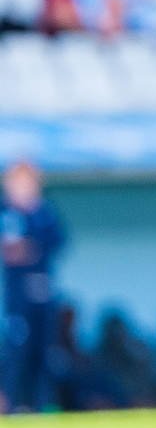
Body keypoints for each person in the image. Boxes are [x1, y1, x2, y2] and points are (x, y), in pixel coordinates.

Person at [2, 161, 66, 414]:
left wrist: (33, 248)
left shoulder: (44, 212)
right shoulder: (6, 213)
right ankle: (13, 404)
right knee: (16, 351)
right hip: (16, 296)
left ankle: (42, 405)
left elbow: (58, 242)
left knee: (44, 351)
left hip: (42, 291)